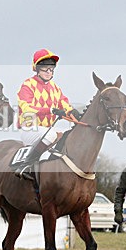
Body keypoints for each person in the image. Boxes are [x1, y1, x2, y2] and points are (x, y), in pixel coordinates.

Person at [13, 48, 81, 178]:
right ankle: (26, 165)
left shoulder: (55, 88)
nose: (49, 72)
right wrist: (49, 110)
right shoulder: (27, 85)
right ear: (37, 69)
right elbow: (27, 108)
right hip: (29, 128)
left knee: (67, 134)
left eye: (51, 69)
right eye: (45, 69)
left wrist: (72, 112)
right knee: (51, 135)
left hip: (46, 129)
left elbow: (64, 103)